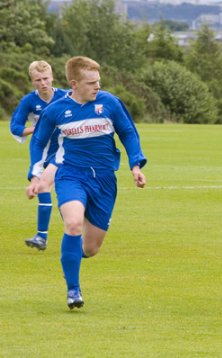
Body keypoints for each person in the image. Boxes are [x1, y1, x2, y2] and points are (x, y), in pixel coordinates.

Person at [28, 56, 147, 309]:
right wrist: (36, 173)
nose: (97, 87)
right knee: (72, 224)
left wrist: (135, 164)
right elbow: (38, 141)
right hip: (71, 175)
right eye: (91, 83)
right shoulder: (57, 110)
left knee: (90, 249)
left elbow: (128, 133)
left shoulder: (110, 103)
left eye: (98, 82)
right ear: (74, 83)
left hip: (104, 180)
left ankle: (68, 258)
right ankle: (73, 290)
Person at [10, 60, 67, 251]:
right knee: (42, 187)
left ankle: (45, 236)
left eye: (45, 79)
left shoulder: (65, 96)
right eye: (37, 80)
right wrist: (35, 128)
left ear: (52, 78)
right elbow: (15, 127)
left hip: (64, 151)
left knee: (48, 188)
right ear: (32, 81)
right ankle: (44, 237)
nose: (42, 83)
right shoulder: (29, 101)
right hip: (40, 151)